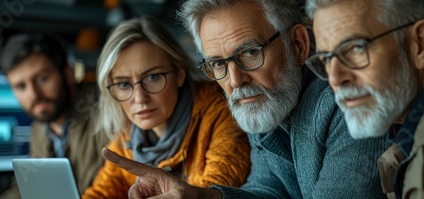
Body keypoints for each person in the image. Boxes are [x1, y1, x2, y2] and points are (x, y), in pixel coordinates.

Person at [100, 0, 392, 198]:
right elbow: (269, 190)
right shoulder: (266, 104)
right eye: (218, 63)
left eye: (250, 52)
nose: (235, 80)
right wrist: (203, 197)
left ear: (299, 44)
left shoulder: (348, 102)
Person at [304, 0, 424, 198]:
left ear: (421, 44)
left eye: (355, 49)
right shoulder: (407, 132)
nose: (335, 78)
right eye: (327, 59)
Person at [82, 16, 251, 199]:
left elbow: (213, 189)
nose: (140, 98)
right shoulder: (127, 137)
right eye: (123, 85)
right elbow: (100, 193)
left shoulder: (220, 112)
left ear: (179, 74)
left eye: (153, 77)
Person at [0, 32, 110, 198]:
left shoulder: (105, 112)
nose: (34, 94)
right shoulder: (39, 129)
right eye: (21, 86)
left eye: (43, 79)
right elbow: (27, 187)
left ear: (68, 74)